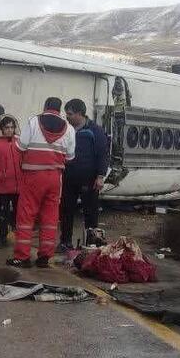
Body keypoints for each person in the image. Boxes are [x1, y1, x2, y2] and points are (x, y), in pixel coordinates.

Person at [8, 97, 75, 268]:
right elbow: (70, 157)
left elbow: (20, 147)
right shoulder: (69, 129)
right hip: (55, 178)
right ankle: (45, 256)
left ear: (45, 107)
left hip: (33, 176)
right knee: (50, 216)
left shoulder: (33, 122)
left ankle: (22, 257)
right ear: (59, 110)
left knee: (26, 215)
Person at [59, 98, 111, 251]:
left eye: (70, 114)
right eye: (66, 114)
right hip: (69, 177)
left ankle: (91, 243)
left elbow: (103, 154)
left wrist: (100, 176)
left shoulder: (95, 130)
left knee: (90, 212)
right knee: (66, 210)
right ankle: (65, 242)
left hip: (89, 179)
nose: (67, 117)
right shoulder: (66, 130)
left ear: (80, 114)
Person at [0, 113, 20, 249]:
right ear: (1, 128)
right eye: (7, 127)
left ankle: (20, 237)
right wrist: (1, 175)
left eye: (12, 127)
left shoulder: (19, 142)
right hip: (4, 186)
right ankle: (2, 238)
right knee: (3, 214)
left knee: (19, 214)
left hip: (19, 186)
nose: (10, 130)